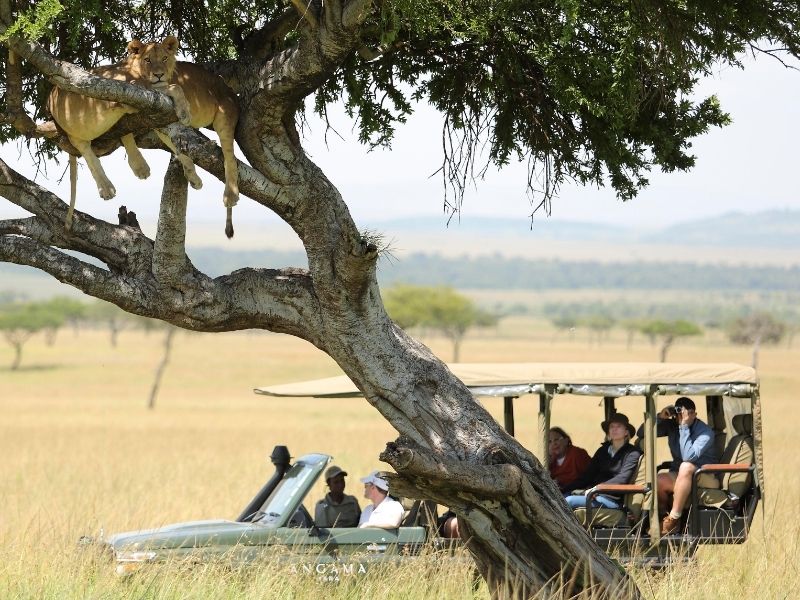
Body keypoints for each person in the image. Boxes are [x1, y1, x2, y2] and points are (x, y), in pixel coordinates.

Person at [640, 396, 720, 535]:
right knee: (660, 480)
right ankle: (662, 518)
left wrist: (684, 426)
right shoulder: (673, 425)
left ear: (694, 414)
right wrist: (660, 416)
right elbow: (642, 433)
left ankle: (674, 519)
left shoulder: (705, 432)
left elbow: (688, 457)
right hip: (682, 474)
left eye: (688, 413)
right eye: (679, 413)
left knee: (686, 466)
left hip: (706, 475)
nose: (682, 416)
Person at [563, 413, 642, 510]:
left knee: (569, 501)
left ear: (626, 432)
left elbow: (623, 478)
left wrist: (597, 488)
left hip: (613, 500)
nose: (614, 429)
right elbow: (587, 476)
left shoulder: (632, 453)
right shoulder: (602, 451)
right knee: (561, 497)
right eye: (612, 426)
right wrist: (563, 489)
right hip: (593, 494)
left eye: (619, 426)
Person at [548, 426, 592, 491]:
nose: (554, 443)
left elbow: (588, 476)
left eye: (556, 439)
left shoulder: (577, 453)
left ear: (566, 441)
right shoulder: (549, 461)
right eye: (549, 442)